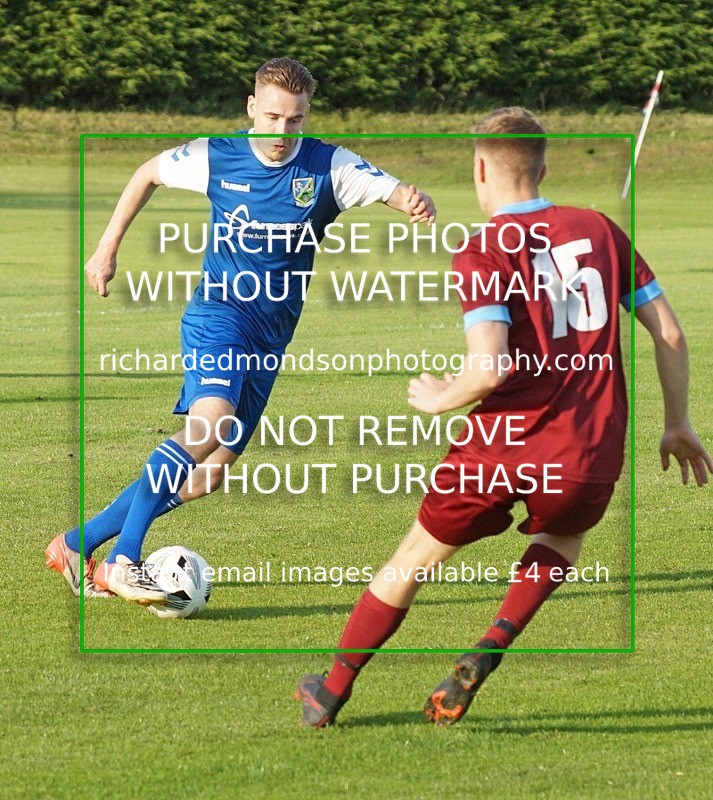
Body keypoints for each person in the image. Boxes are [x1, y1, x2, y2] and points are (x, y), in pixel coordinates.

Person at [295, 106, 712, 728]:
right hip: (588, 447)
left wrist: (439, 397)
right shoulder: (599, 229)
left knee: (416, 556)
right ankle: (488, 646)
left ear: (479, 167)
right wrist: (677, 422)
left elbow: (488, 368)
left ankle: (329, 691)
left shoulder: (484, 249)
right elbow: (670, 333)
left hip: (502, 442)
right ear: (543, 167)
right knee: (560, 539)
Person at [45, 57, 436, 604]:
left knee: (209, 475)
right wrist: (106, 247)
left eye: (294, 120)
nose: (281, 132)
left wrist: (413, 201)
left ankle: (75, 543)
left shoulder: (329, 166)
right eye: (272, 117)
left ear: (306, 116)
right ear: (252, 108)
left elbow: (394, 191)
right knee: (207, 429)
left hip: (271, 337)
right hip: (220, 314)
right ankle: (121, 562)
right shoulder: (215, 155)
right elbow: (148, 173)